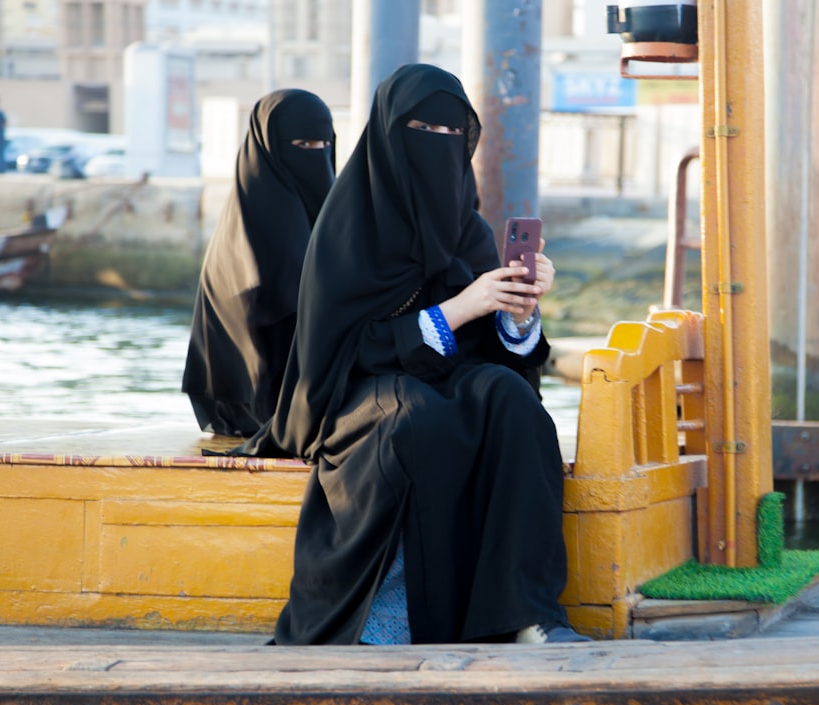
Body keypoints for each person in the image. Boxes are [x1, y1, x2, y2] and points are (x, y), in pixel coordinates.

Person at [233, 64, 590, 646]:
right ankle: (388, 621)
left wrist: (517, 315)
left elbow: (496, 355)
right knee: (414, 420)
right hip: (355, 394)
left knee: (512, 403)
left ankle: (529, 616)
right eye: (423, 130)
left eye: (453, 136)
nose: (440, 147)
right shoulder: (345, 234)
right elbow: (341, 350)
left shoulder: (466, 230)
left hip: (445, 379)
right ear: (388, 137)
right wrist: (457, 309)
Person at [182, 89, 336, 437]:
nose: (315, 157)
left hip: (307, 395)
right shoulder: (254, 228)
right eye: (302, 146)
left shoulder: (332, 221)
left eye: (323, 147)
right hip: (252, 406)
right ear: (269, 150)